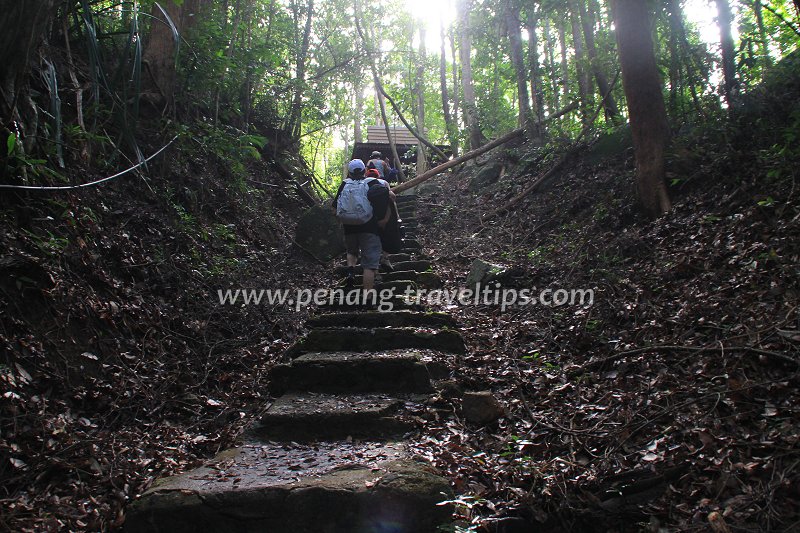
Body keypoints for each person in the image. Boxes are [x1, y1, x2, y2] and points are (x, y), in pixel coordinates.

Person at [334, 159, 391, 291]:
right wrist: (385, 219)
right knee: (369, 265)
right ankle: (367, 297)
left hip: (349, 227)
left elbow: (334, 207)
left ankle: (350, 271)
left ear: (349, 173)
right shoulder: (371, 182)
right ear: (364, 170)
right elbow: (388, 198)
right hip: (369, 228)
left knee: (351, 251)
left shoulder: (344, 184)